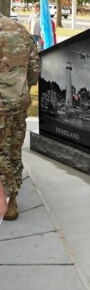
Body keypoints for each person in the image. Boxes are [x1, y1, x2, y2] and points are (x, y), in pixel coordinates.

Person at [0, 12, 40, 221]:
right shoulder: (19, 29)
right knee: (14, 152)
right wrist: (21, 90)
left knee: (1, 156)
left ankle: (7, 203)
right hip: (18, 105)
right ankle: (12, 200)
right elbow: (34, 68)